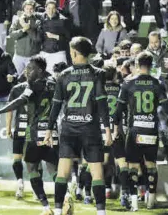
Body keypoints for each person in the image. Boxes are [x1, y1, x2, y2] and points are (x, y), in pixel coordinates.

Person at [43, 37, 112, 215]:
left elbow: (56, 105)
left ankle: (58, 212)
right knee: (97, 172)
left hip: (69, 128)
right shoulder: (98, 73)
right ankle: (101, 213)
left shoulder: (64, 75)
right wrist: (107, 130)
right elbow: (102, 104)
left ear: (74, 52)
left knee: (62, 172)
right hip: (90, 128)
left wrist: (49, 130)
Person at [0, 56, 58, 211]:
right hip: (52, 132)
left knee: (31, 168)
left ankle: (45, 206)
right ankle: (63, 202)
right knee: (55, 169)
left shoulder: (33, 85)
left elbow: (20, 101)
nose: (27, 71)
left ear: (39, 70)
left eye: (30, 68)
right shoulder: (54, 82)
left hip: (35, 131)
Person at [115, 51, 168, 210]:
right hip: (151, 131)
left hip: (134, 131)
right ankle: (151, 201)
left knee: (133, 166)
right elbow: (167, 107)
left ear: (136, 65)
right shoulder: (157, 83)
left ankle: (134, 203)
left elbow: (118, 110)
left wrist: (113, 128)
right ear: (152, 65)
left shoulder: (128, 84)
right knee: (151, 166)